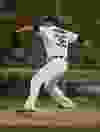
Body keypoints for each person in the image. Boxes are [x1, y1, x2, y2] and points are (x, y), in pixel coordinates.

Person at [17, 16, 79, 112]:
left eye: (46, 21)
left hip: (55, 62)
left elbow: (35, 28)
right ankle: (68, 104)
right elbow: (79, 39)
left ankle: (30, 105)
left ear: (51, 23)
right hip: (63, 64)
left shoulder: (48, 29)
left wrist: (23, 28)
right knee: (49, 86)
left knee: (35, 80)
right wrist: (87, 43)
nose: (44, 23)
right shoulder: (65, 32)